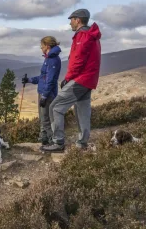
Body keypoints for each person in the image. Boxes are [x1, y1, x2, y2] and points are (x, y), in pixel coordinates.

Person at [41, 8, 101, 152]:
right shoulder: (92, 36)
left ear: (78, 20)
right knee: (82, 111)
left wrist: (68, 78)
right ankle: (82, 143)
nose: (70, 23)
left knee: (55, 107)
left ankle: (58, 142)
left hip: (80, 79)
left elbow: (77, 60)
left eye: (71, 20)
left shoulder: (82, 36)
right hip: (89, 80)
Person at [21, 36, 61, 146]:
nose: (41, 48)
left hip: (47, 93)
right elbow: (43, 77)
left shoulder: (53, 60)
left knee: (46, 118)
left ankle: (53, 141)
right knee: (42, 117)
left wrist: (44, 96)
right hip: (43, 91)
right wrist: (29, 80)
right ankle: (44, 138)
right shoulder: (48, 58)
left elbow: (51, 80)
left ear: (47, 46)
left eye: (42, 46)